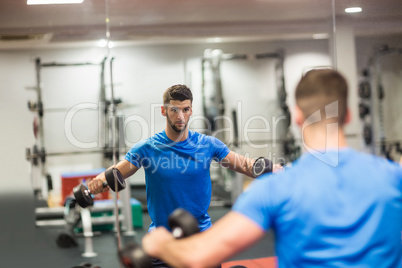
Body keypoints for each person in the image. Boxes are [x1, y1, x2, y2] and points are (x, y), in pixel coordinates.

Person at [142, 69, 402, 268]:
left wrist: (160, 244)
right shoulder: (393, 176)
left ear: (298, 117)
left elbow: (198, 256)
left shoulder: (274, 190)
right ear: (349, 116)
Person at [88, 84, 282, 267]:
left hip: (202, 239)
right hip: (163, 243)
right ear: (164, 111)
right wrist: (98, 183)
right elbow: (115, 173)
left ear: (191, 109)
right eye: (174, 110)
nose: (181, 116)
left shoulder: (208, 145)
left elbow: (246, 165)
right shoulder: (147, 149)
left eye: (186, 109)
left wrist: (272, 168)